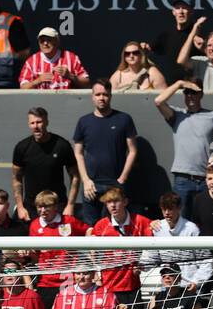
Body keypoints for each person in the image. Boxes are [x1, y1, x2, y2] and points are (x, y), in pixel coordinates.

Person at [155, 80, 213, 224]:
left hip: (206, 179)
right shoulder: (177, 115)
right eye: (187, 92)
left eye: (193, 92)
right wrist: (179, 84)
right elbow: (158, 101)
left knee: (207, 218)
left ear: (201, 94)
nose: (190, 96)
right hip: (182, 179)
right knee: (180, 220)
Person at [71, 81, 137, 227]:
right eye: (98, 94)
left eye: (105, 94)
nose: (102, 98)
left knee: (117, 226)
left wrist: (122, 178)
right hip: (91, 185)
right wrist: (86, 180)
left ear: (111, 96)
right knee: (91, 227)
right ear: (92, 97)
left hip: (115, 184)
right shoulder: (84, 122)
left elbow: (132, 151)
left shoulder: (124, 119)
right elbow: (78, 153)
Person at [12, 108, 79, 223]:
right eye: (32, 123)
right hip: (32, 208)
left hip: (57, 206)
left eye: (39, 122)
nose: (36, 126)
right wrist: (20, 207)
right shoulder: (22, 147)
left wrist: (70, 205)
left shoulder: (62, 145)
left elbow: (75, 176)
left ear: (46, 122)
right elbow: (16, 179)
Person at [19, 26, 90, 90]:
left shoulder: (71, 58)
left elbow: (87, 83)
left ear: (57, 41)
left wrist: (70, 76)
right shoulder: (31, 61)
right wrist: (38, 80)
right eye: (42, 40)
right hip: (41, 103)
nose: (45, 43)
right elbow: (23, 87)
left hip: (66, 101)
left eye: (49, 40)